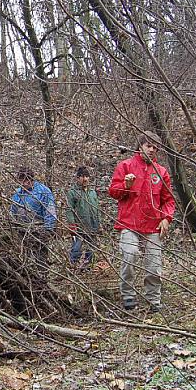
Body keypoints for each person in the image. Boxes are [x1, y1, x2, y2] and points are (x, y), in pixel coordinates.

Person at [108, 132, 176, 312]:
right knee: (129, 255)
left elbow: (168, 199)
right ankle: (128, 295)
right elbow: (113, 192)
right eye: (149, 146)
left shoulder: (161, 172)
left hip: (153, 224)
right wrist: (126, 186)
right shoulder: (126, 166)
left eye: (155, 147)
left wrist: (166, 218)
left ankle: (154, 299)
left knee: (154, 265)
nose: (152, 150)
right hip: (128, 222)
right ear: (140, 146)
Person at [10, 167, 57, 265]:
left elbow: (50, 211)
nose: (24, 183)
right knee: (24, 258)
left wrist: (48, 230)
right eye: (21, 181)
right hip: (22, 231)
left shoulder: (43, 191)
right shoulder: (17, 193)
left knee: (40, 258)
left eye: (26, 180)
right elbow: (12, 211)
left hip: (39, 230)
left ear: (31, 179)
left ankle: (42, 277)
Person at [65, 166, 100, 267]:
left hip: (92, 225)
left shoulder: (92, 192)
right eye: (82, 176)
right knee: (76, 248)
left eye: (87, 176)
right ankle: (73, 265)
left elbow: (96, 209)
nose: (85, 179)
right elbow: (69, 209)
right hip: (79, 226)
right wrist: (72, 225)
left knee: (91, 248)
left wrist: (99, 224)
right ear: (77, 178)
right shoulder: (72, 192)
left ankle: (87, 266)